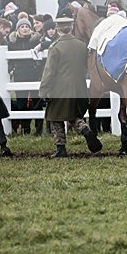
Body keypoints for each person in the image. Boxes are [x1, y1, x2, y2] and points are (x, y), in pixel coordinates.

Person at [39, 17, 102, 158]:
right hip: (79, 89)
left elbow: (49, 72)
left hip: (59, 90)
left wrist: (44, 91)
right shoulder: (81, 45)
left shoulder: (55, 47)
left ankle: (61, 148)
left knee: (55, 117)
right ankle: (85, 130)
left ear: (57, 29)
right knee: (74, 115)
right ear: (72, 27)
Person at [7, 17, 42, 135]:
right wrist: (11, 69)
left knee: (36, 101)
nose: (25, 29)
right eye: (22, 27)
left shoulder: (35, 41)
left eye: (27, 26)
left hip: (33, 73)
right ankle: (25, 128)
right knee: (21, 102)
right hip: (19, 74)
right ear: (18, 29)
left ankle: (39, 128)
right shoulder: (12, 43)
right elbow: (8, 59)